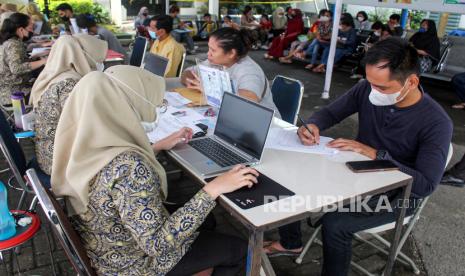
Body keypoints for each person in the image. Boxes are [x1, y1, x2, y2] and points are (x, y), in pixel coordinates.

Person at [264, 37, 453, 275]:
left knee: (336, 224)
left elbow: (424, 185)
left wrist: (376, 154)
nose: (373, 91)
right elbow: (332, 112)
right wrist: (311, 126)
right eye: (370, 82)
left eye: (382, 87)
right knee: (288, 177)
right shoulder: (367, 88)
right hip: (355, 172)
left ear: (412, 82)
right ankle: (291, 243)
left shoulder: (436, 122)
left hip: (399, 194)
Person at [52, 65, 254, 275]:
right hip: (137, 264)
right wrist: (214, 188)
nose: (154, 109)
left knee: (208, 220)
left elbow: (110, 177)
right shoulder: (130, 167)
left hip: (105, 250)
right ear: (125, 107)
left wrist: (155, 147)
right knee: (241, 250)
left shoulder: (80, 142)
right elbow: (156, 245)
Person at [29, 34, 107, 176]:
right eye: (98, 60)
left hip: (48, 153)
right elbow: (88, 126)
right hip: (59, 163)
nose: (99, 64)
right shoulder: (69, 85)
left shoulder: (55, 75)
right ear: (81, 56)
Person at [181, 28, 281, 117]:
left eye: (213, 50)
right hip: (233, 117)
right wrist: (191, 80)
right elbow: (188, 72)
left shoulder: (249, 71)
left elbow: (248, 102)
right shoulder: (216, 61)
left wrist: (211, 89)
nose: (208, 54)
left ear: (231, 53)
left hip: (265, 126)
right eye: (208, 48)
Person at [0, 13, 47, 106]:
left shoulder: (12, 41)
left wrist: (36, 58)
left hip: (12, 89)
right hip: (14, 95)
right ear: (21, 29)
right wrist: (44, 61)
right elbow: (16, 68)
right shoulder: (13, 44)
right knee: (47, 91)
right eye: (30, 28)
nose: (32, 31)